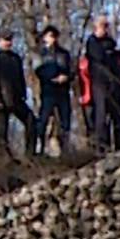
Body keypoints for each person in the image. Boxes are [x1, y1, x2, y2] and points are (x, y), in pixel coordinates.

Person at [0, 31, 36, 156]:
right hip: (1, 100)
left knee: (31, 121)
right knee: (2, 131)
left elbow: (21, 77)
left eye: (9, 40)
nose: (8, 42)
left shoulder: (16, 58)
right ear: (0, 41)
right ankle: (4, 157)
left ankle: (30, 153)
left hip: (16, 99)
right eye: (5, 40)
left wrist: (24, 92)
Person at [86, 17, 120, 151]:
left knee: (118, 115)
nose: (105, 29)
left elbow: (119, 65)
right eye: (102, 26)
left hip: (115, 85)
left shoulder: (113, 45)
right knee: (101, 116)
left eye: (106, 26)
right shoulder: (92, 43)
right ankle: (103, 147)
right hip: (100, 84)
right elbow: (98, 58)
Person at [33, 26, 74, 156]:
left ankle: (65, 149)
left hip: (63, 91)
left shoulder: (64, 53)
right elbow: (38, 71)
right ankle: (40, 147)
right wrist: (51, 78)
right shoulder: (40, 54)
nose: (53, 39)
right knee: (43, 119)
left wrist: (66, 77)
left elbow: (72, 70)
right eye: (50, 36)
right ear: (45, 37)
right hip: (48, 91)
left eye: (54, 36)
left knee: (65, 120)